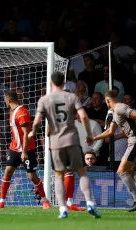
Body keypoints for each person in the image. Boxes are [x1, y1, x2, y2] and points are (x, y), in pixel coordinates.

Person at [28, 71, 101, 219]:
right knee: (81, 172)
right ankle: (90, 203)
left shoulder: (44, 99)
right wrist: (88, 134)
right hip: (72, 140)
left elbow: (37, 122)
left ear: (51, 83)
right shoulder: (72, 97)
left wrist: (33, 133)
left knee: (59, 176)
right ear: (64, 84)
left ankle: (62, 208)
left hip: (56, 142)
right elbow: (84, 116)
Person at [92, 90, 136, 212]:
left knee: (121, 171)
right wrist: (94, 138)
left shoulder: (120, 108)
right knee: (129, 172)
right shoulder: (116, 112)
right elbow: (110, 132)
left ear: (107, 100)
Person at [0, 90, 50, 209]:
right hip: (14, 148)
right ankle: (1, 201)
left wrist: (24, 151)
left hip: (27, 149)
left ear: (9, 100)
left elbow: (26, 134)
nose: (4, 102)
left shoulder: (22, 112)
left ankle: (45, 200)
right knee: (8, 172)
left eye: (5, 100)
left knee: (32, 176)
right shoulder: (13, 111)